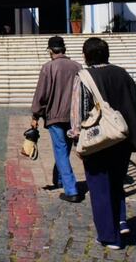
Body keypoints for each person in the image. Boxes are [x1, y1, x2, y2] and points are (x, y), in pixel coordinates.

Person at [69, 37, 136, 250]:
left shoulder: (84, 76)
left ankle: (109, 236)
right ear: (107, 54)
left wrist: (77, 137)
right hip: (122, 137)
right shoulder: (122, 73)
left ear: (86, 56)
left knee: (99, 187)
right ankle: (119, 222)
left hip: (98, 138)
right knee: (116, 183)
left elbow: (78, 109)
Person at [30, 36, 83, 203]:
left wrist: (35, 114)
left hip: (54, 115)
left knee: (60, 150)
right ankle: (60, 179)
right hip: (74, 116)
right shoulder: (78, 67)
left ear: (50, 51)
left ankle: (71, 189)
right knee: (65, 149)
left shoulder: (48, 68)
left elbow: (41, 94)